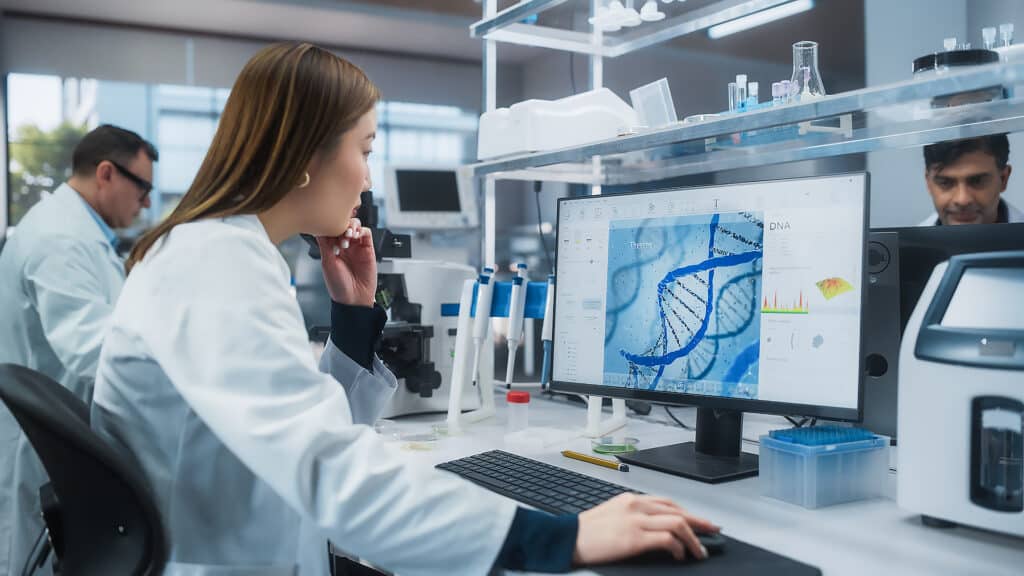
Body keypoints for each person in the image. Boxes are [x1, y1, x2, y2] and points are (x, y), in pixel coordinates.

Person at [89, 42, 718, 575]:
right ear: (307, 156)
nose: (367, 178)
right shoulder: (216, 261)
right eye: (364, 150)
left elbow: (301, 429)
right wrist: (558, 537)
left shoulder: (217, 248)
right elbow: (330, 471)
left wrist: (355, 317)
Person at [0, 125, 157, 575]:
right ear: (106, 173)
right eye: (142, 186)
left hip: (63, 443)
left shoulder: (81, 236)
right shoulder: (60, 240)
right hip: (42, 454)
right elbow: (92, 350)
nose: (146, 201)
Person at [919, 134, 1023, 226]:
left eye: (977, 181)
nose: (962, 200)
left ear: (1003, 179)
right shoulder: (907, 246)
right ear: (928, 183)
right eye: (945, 182)